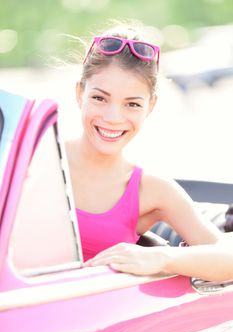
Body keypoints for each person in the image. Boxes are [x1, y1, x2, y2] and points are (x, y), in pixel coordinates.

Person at [65, 21, 233, 282]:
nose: (113, 117)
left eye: (132, 104)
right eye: (100, 98)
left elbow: (227, 258)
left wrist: (161, 258)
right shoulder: (34, 158)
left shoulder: (151, 188)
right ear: (80, 93)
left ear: (151, 106)